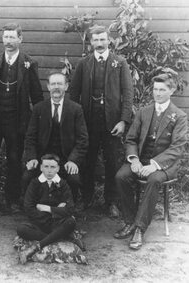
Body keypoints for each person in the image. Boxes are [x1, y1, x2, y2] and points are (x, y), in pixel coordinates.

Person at [0, 23, 43, 214]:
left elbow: (37, 96)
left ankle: (12, 200)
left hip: (17, 121)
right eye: (6, 37)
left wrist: (37, 122)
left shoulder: (29, 63)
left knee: (14, 160)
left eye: (12, 37)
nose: (8, 41)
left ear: (20, 39)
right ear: (2, 39)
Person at [114, 73, 188, 250]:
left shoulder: (179, 116)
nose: (158, 93)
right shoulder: (143, 112)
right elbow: (131, 139)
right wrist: (134, 160)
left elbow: (177, 147)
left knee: (153, 179)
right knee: (121, 176)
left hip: (164, 165)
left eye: (162, 90)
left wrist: (154, 164)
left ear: (172, 90)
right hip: (141, 159)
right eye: (155, 89)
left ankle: (140, 228)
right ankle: (129, 221)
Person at [70, 25, 134, 216]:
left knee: (112, 162)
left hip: (112, 124)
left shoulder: (119, 63)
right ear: (91, 42)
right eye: (95, 40)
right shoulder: (84, 63)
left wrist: (123, 121)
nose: (99, 43)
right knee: (87, 161)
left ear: (109, 41)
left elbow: (128, 94)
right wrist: (76, 121)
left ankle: (111, 201)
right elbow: (74, 94)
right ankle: (86, 198)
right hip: (88, 123)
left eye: (102, 39)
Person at [22, 71, 88, 202]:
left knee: (73, 179)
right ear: (48, 87)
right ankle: (33, 208)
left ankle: (69, 208)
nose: (56, 87)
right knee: (27, 176)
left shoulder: (76, 109)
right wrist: (32, 158)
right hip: (43, 159)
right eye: (53, 84)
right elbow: (30, 137)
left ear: (66, 86)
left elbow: (83, 139)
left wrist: (73, 160)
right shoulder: (39, 108)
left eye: (60, 84)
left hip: (66, 159)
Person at [17, 154, 77, 264]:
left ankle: (36, 247)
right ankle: (60, 238)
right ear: (41, 167)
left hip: (57, 223)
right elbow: (28, 208)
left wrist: (48, 208)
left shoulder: (63, 184)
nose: (49, 171)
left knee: (71, 221)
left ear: (58, 168)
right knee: (21, 229)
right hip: (39, 224)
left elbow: (70, 209)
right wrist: (57, 211)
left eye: (53, 167)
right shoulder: (35, 183)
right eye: (46, 166)